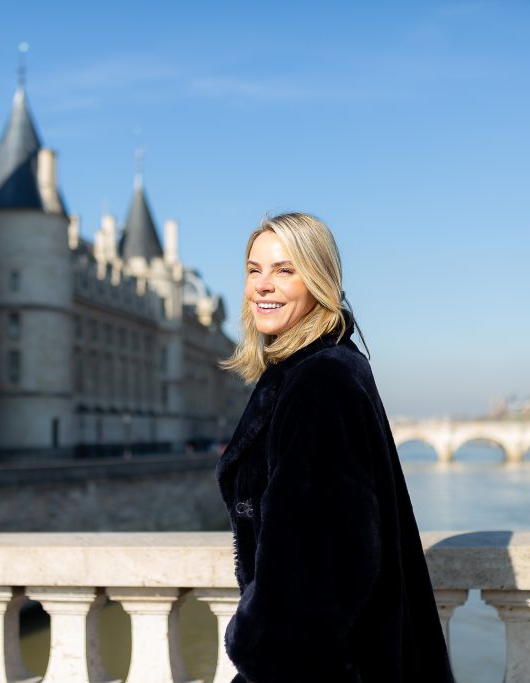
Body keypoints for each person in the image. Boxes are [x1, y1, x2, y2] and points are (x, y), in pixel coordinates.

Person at [216, 213, 454, 682]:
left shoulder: (319, 381)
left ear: (320, 280)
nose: (263, 285)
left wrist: (256, 643)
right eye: (253, 270)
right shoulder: (326, 367)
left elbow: (316, 570)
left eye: (285, 270)